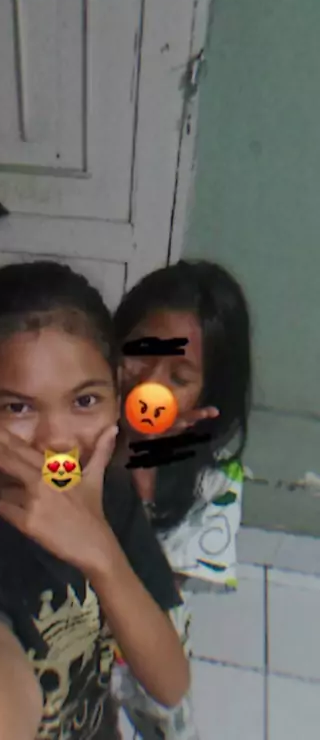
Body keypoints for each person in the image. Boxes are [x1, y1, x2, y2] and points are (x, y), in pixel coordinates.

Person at [0, 260, 190, 740]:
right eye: (18, 406)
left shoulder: (113, 494)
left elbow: (170, 683)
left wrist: (101, 553)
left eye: (85, 401)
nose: (58, 443)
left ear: (117, 388)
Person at [112, 259, 252, 740]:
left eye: (179, 376)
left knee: (167, 722)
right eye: (140, 352)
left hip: (146, 641)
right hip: (68, 626)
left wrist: (142, 463)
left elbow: (152, 584)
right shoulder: (74, 429)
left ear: (206, 397)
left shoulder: (216, 484)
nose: (148, 383)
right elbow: (54, 497)